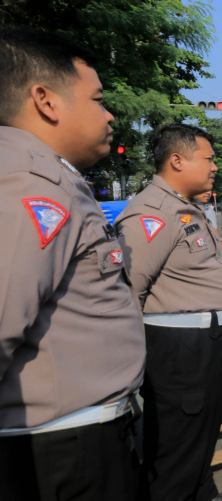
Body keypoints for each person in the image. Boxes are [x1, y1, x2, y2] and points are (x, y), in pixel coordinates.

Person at [0, 26, 145, 500]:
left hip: (76, 436)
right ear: (47, 100)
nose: (109, 115)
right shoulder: (30, 184)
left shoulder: (51, 178)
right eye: (98, 99)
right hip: (63, 451)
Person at [115, 123, 222, 501]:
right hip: (179, 350)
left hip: (203, 342)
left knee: (199, 435)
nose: (215, 167)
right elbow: (126, 292)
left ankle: (202, 494)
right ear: (177, 160)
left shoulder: (184, 207)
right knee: (176, 447)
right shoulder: (152, 213)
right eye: (207, 159)